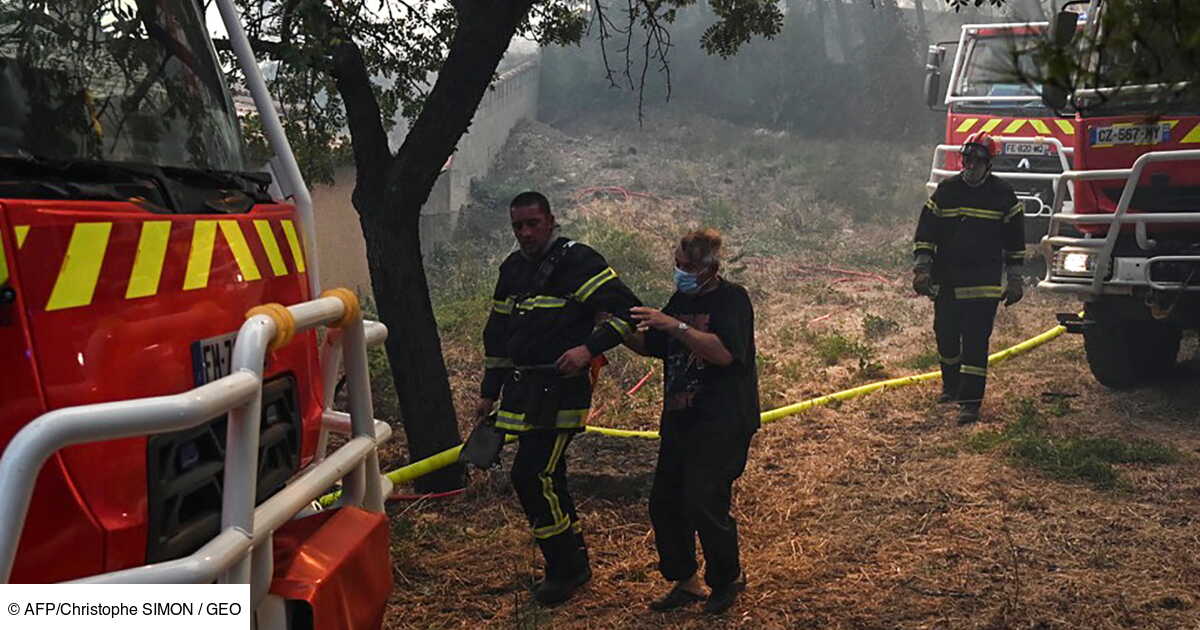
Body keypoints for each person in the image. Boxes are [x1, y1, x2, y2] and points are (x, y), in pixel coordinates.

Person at [476, 191, 642, 605]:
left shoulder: (579, 261)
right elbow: (497, 334)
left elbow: (627, 312)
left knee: (531, 476)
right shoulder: (512, 268)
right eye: (518, 226)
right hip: (520, 388)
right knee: (551, 476)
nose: (525, 233)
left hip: (560, 389)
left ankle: (563, 569)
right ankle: (574, 561)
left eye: (533, 223)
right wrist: (487, 392)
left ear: (551, 220)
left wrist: (588, 349)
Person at [622, 228, 759, 615]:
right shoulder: (681, 298)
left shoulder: (732, 299)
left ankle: (726, 579)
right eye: (677, 265)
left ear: (709, 266)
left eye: (688, 266)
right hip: (680, 418)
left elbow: (725, 354)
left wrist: (674, 325)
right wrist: (618, 330)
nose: (680, 272)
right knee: (665, 502)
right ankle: (685, 580)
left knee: (705, 499)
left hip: (722, 418)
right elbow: (656, 347)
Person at [912, 131, 1025, 424]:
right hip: (948, 281)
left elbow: (1014, 242)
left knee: (975, 343)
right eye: (967, 159)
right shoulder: (947, 190)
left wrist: (1014, 280)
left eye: (977, 160)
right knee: (946, 337)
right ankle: (951, 386)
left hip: (983, 284)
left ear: (989, 164)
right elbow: (926, 232)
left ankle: (970, 403)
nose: (971, 166)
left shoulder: (1003, 195)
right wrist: (922, 269)